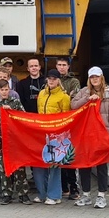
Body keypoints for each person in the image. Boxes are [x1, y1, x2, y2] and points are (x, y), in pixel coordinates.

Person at [70, 67, 109, 208]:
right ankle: (85, 195)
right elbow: (73, 105)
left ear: (101, 77)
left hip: (102, 135)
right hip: (86, 135)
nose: (94, 79)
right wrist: (87, 98)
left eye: (97, 76)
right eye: (92, 77)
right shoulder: (83, 92)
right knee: (84, 165)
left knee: (101, 166)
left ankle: (101, 196)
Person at [0, 79, 32, 205]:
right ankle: (7, 194)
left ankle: (23, 194)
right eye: (2, 90)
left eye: (7, 89)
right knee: (4, 168)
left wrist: (11, 110)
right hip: (2, 141)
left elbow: (24, 118)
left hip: (16, 141)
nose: (5, 92)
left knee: (20, 168)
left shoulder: (16, 102)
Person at [33, 68, 70, 205]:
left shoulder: (64, 97)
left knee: (54, 164)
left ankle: (54, 195)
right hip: (42, 133)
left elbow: (66, 116)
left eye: (54, 79)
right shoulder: (42, 94)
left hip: (57, 135)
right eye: (49, 78)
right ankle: (42, 193)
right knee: (39, 163)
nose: (51, 81)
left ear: (58, 80)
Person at [54, 58, 81, 199]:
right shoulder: (52, 80)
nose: (61, 67)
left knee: (69, 156)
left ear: (68, 66)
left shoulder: (73, 82)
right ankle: (63, 187)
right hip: (55, 123)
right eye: (59, 65)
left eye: (64, 65)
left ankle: (74, 188)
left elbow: (74, 99)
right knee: (58, 156)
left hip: (69, 122)